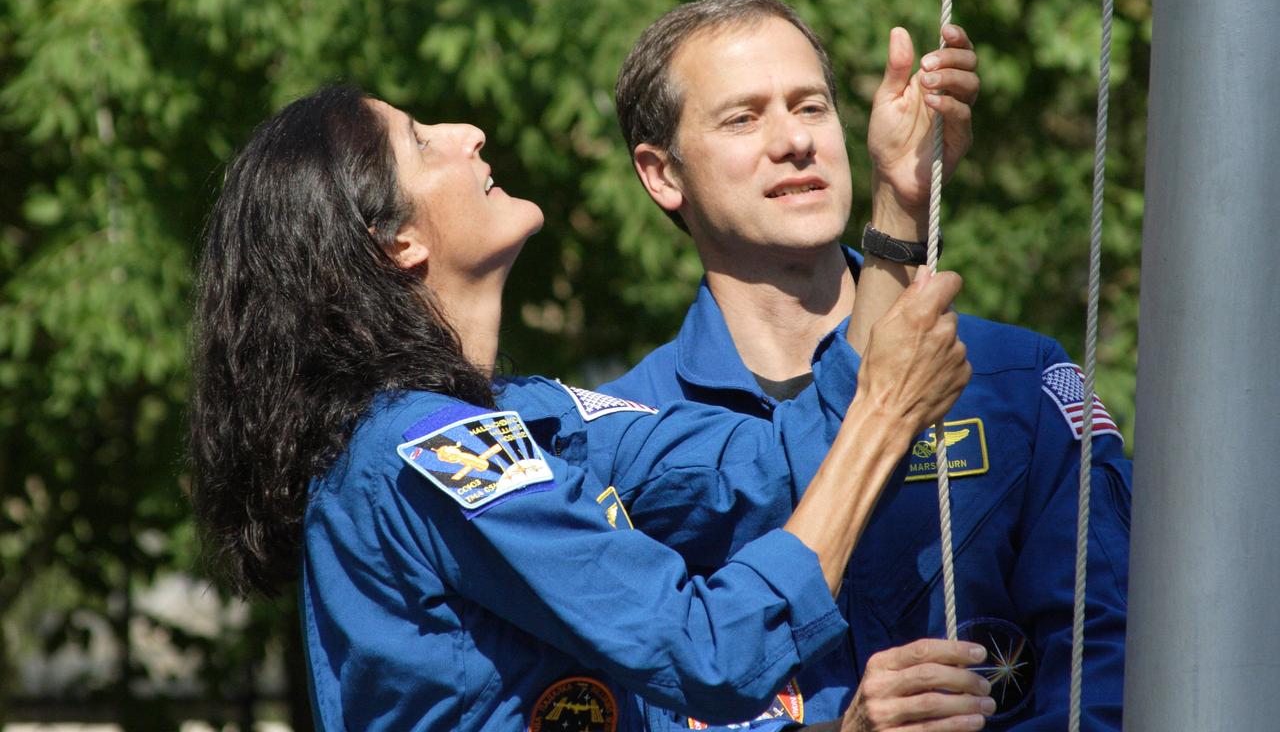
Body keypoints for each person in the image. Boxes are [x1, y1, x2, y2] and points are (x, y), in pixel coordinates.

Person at [188, 83, 976, 732]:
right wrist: (885, 415)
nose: (469, 131)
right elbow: (712, 654)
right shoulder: (426, 453)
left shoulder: (532, 417)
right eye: (423, 141)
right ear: (395, 243)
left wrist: (899, 209)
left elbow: (787, 463)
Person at [600, 0, 1131, 731]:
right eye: (743, 118)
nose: (793, 141)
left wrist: (900, 200)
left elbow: (1113, 663)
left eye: (810, 106)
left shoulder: (1012, 378)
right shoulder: (621, 445)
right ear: (662, 174)